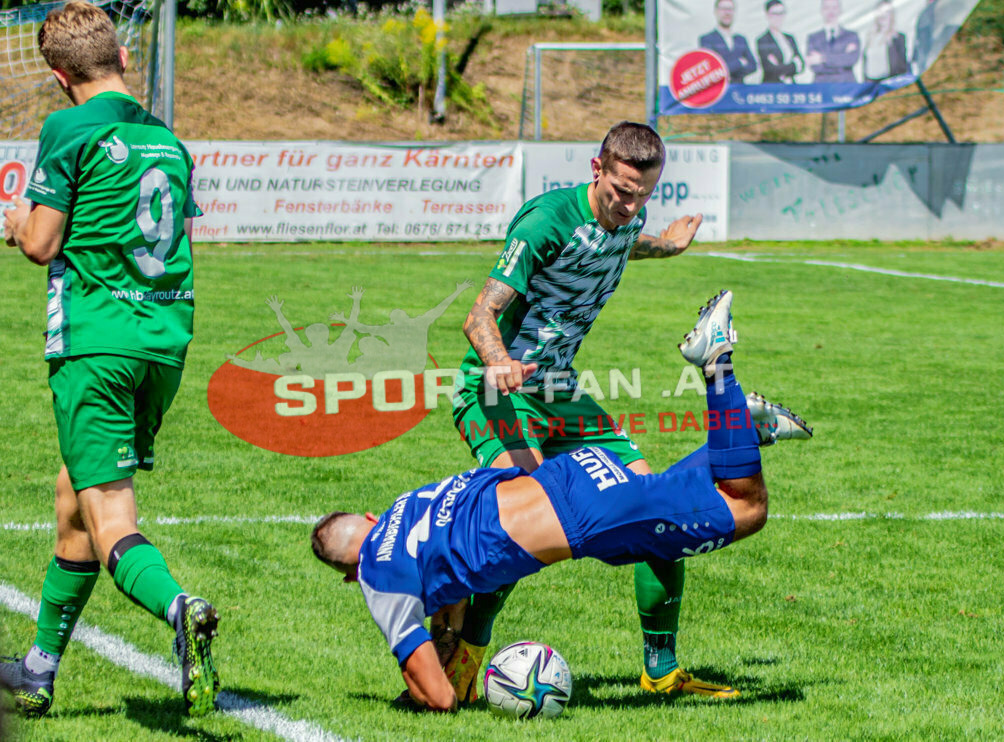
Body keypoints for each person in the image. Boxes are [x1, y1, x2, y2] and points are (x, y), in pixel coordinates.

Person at [311, 290, 812, 711]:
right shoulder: (407, 507)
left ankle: (717, 364)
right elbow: (453, 572)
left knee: (746, 509)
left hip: (585, 518)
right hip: (569, 472)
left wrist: (418, 685)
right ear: (370, 517)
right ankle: (740, 432)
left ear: (352, 576)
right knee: (657, 520)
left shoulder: (380, 581)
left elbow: (440, 699)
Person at [449, 121, 722, 705]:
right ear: (596, 170)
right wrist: (500, 362)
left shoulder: (629, 218)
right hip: (498, 390)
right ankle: (463, 661)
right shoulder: (546, 220)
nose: (630, 205)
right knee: (521, 516)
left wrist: (669, 245)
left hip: (561, 390)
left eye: (643, 195)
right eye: (621, 191)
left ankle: (662, 671)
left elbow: (626, 241)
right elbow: (478, 316)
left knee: (656, 507)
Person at [1, 1, 218, 719]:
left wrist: (15, 223)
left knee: (110, 516)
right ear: (123, 57)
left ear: (60, 77)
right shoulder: (168, 141)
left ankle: (181, 608)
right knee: (74, 496)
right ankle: (37, 672)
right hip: (163, 344)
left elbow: (41, 242)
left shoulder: (67, 127)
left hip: (97, 343)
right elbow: (178, 237)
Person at [699, 0, 758, 84]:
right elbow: (713, 71)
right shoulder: (706, 39)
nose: (727, 13)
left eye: (730, 9)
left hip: (739, 88)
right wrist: (739, 62)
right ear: (716, 12)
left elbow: (753, 66)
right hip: (719, 90)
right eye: (723, 9)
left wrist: (728, 72)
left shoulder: (741, 39)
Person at [806, 0, 861, 83]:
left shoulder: (851, 36)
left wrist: (822, 58)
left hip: (846, 84)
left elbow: (851, 60)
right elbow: (815, 67)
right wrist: (841, 59)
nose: (831, 11)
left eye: (834, 7)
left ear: (840, 10)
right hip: (822, 85)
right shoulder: (813, 38)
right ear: (821, 11)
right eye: (827, 7)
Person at [756, 0, 805, 84]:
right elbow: (771, 69)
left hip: (791, 85)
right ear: (767, 15)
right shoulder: (763, 40)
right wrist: (794, 65)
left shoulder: (790, 38)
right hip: (772, 86)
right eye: (775, 14)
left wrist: (781, 68)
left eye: (781, 13)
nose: (779, 17)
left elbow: (802, 65)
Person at [862, 0, 908, 82]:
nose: (883, 15)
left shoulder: (898, 38)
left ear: (891, 15)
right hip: (871, 83)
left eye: (886, 12)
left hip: (889, 82)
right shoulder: (870, 37)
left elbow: (902, 66)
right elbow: (866, 65)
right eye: (880, 11)